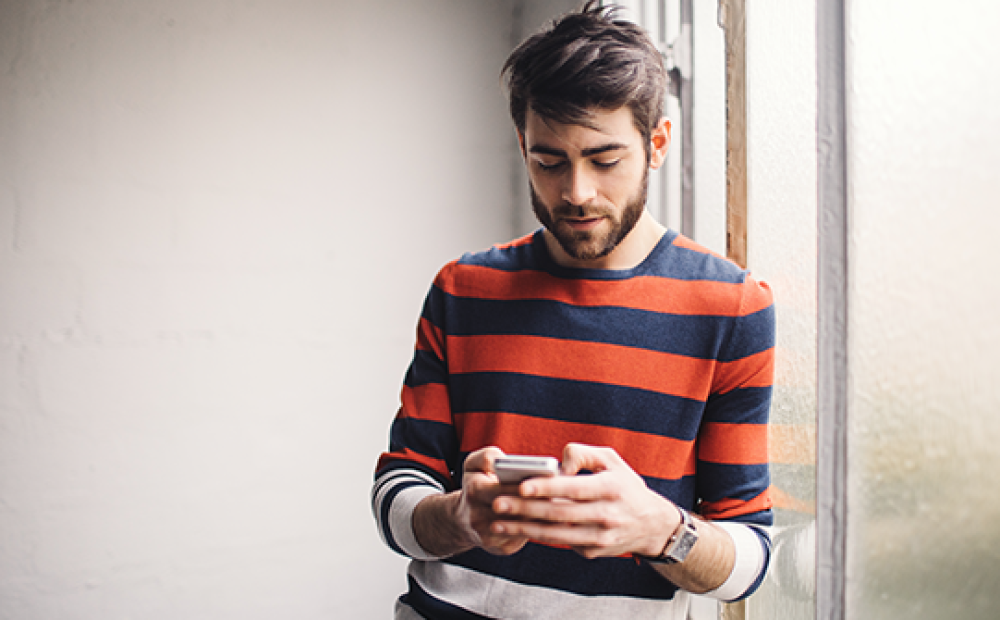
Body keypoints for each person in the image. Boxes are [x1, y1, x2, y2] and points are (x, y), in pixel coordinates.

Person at [372, 3, 775, 618]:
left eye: (605, 160)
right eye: (549, 161)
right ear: (522, 145)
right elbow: (396, 494)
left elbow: (748, 557)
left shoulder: (732, 308)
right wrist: (460, 516)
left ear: (657, 143)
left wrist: (660, 530)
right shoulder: (463, 290)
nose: (576, 192)